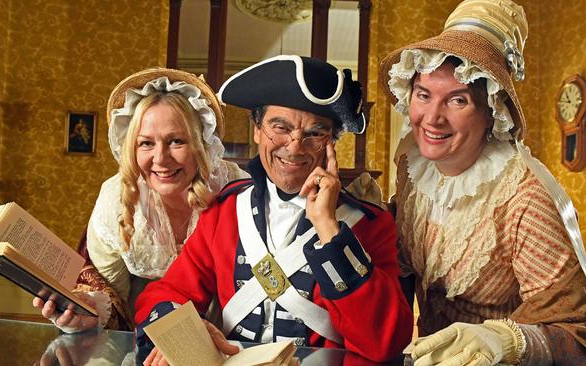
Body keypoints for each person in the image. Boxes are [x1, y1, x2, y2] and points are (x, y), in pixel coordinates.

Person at [134, 55, 413, 364]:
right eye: (280, 127)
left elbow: (385, 343)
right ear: (257, 129)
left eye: (315, 133)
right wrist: (183, 329)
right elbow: (166, 293)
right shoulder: (225, 210)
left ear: (332, 143)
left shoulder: (369, 225)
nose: (294, 147)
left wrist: (329, 229)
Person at [379, 0, 586, 365]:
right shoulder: (413, 167)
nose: (432, 119)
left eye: (457, 100)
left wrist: (507, 341)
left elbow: (585, 340)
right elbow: (408, 254)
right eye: (423, 95)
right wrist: (368, 218)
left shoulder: (523, 200)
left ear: (493, 112)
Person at [33, 68, 248, 333]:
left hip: (227, 337)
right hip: (144, 337)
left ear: (201, 144)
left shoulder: (237, 191)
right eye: (146, 143)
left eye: (176, 141)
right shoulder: (115, 201)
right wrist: (87, 312)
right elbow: (111, 294)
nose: (161, 158)